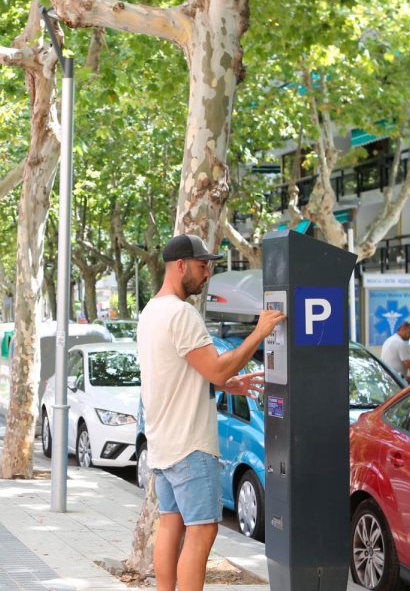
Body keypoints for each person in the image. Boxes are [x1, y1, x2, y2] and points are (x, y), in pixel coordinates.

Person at [138, 234, 284, 591]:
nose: (207, 275)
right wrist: (259, 332)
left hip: (163, 442)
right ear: (180, 266)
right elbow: (217, 367)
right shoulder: (182, 313)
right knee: (203, 530)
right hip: (190, 445)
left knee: (171, 524)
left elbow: (177, 373)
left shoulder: (151, 311)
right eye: (203, 266)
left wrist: (221, 385)